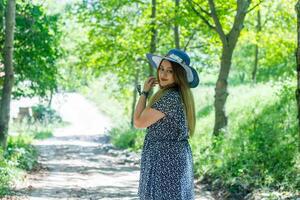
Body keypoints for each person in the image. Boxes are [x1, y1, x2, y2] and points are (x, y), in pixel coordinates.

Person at [134, 48, 199, 200]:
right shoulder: (177, 95)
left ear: (178, 75)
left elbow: (138, 122)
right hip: (170, 157)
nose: (163, 74)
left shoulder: (169, 97)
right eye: (161, 69)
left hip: (165, 160)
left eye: (169, 71)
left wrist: (144, 93)